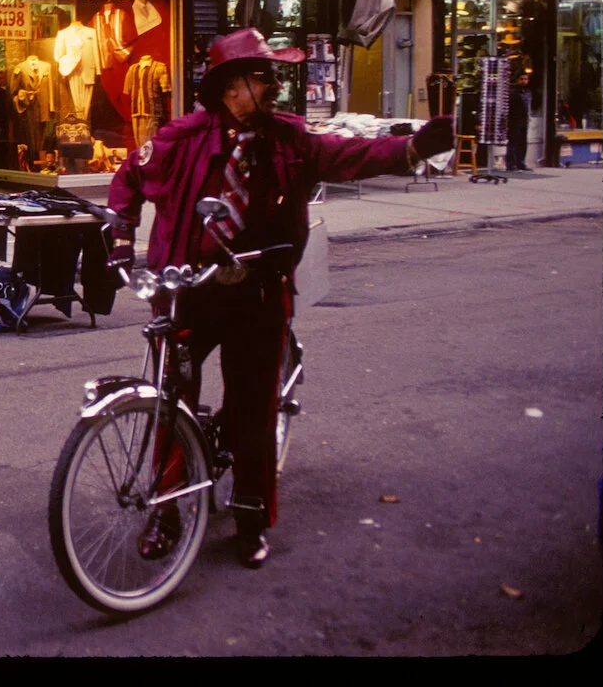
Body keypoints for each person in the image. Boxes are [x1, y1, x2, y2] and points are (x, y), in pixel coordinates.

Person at [107, 28, 452, 569]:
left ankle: (250, 518)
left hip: (259, 293)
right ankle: (166, 513)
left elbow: (353, 155)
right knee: (171, 403)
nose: (272, 85)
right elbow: (129, 176)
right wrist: (121, 241)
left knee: (253, 410)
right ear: (230, 88)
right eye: (261, 76)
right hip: (188, 293)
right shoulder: (182, 136)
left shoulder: (291, 139)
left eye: (272, 75)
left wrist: (411, 148)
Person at [506, 70, 532, 172]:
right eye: (521, 79)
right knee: (513, 142)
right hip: (514, 120)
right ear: (517, 80)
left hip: (524, 120)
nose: (524, 81)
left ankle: (521, 163)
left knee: (522, 142)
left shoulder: (528, 92)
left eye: (525, 79)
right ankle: (511, 164)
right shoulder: (513, 92)